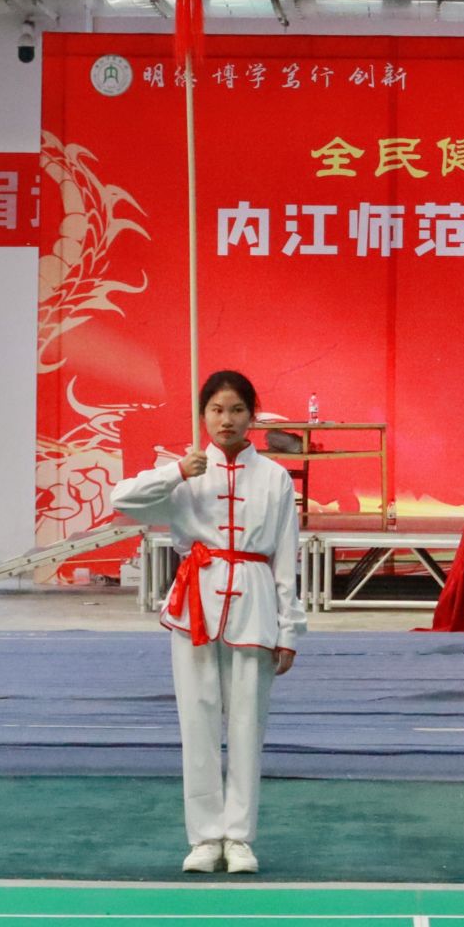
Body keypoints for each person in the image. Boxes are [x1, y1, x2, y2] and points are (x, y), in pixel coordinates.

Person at [112, 370, 302, 875]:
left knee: (247, 725)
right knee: (196, 723)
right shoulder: (184, 472)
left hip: (254, 605)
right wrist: (176, 472)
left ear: (252, 416)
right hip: (195, 604)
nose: (226, 420)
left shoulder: (275, 478)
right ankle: (203, 837)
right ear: (203, 416)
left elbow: (286, 557)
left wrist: (289, 628)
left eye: (237, 409)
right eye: (216, 410)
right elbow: (121, 500)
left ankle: (238, 838)